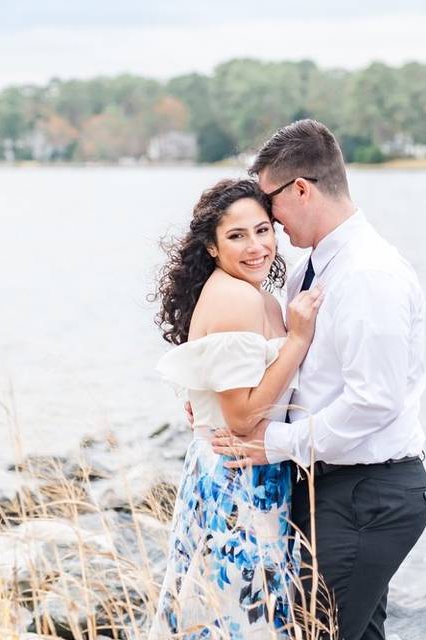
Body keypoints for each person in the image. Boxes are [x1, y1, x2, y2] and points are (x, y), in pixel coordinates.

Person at [210, 120, 426, 640]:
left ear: (302, 189)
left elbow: (374, 402)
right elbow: (305, 373)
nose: (269, 219)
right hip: (332, 486)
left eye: (270, 202)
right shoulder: (314, 267)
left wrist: (276, 443)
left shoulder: (366, 275)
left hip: (368, 492)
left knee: (315, 634)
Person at [149, 177, 324, 639]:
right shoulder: (236, 297)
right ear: (210, 246)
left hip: (249, 473)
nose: (256, 247)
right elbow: (242, 418)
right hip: (236, 479)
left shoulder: (258, 295)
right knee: (238, 621)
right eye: (236, 236)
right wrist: (300, 339)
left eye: (263, 230)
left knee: (230, 614)